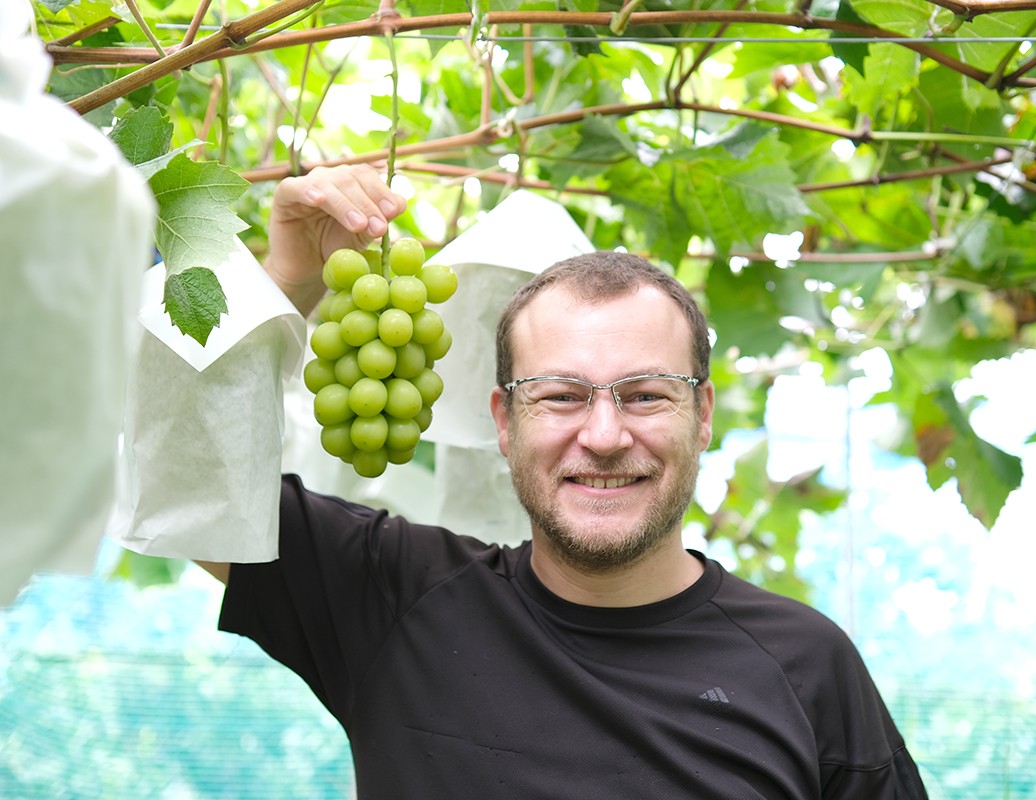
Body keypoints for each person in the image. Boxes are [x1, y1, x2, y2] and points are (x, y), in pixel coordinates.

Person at [200, 164, 929, 798]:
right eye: (560, 395)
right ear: (505, 421)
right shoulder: (392, 599)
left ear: (701, 415)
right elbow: (191, 486)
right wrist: (289, 280)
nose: (605, 435)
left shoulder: (809, 666)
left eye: (646, 394)